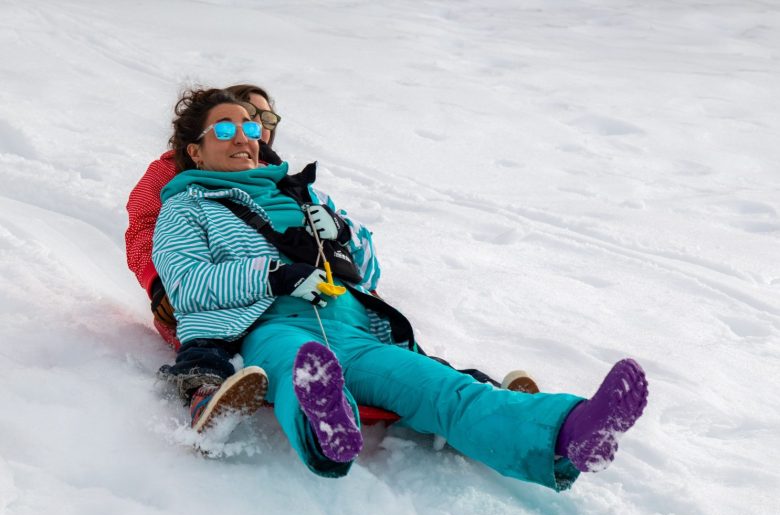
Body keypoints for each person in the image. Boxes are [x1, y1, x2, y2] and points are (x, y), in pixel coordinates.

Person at [151, 88, 649, 490]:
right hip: (271, 323)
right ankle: (328, 432)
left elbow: (368, 270)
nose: (243, 136)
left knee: (445, 390)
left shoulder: (302, 194)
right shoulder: (186, 207)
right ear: (195, 150)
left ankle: (571, 434)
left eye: (249, 126)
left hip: (353, 325)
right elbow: (187, 285)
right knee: (299, 369)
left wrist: (343, 234)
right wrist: (272, 275)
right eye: (225, 128)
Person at [125, 84, 539, 430]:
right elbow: (147, 227)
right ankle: (209, 394)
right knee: (214, 344)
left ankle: (487, 400)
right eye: (239, 120)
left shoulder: (288, 185)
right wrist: (158, 283)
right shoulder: (179, 177)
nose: (255, 131)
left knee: (396, 350)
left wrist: (343, 247)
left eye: (262, 122)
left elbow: (361, 258)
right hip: (217, 298)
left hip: (316, 302)